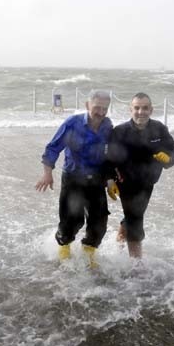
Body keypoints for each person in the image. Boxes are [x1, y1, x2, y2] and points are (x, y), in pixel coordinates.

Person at [35, 90, 112, 267]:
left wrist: (110, 180)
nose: (101, 112)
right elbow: (53, 148)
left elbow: (110, 155)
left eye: (105, 108)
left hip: (96, 180)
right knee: (72, 219)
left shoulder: (107, 125)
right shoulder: (73, 123)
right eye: (97, 108)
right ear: (87, 106)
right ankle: (64, 248)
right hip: (73, 178)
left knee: (99, 221)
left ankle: (89, 253)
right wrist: (47, 173)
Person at [106, 92, 174, 258]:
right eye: (137, 108)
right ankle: (136, 263)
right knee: (136, 218)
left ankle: (122, 233)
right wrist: (110, 181)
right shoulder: (120, 131)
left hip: (148, 182)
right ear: (130, 110)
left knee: (135, 213)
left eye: (145, 108)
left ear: (151, 110)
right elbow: (109, 159)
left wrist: (168, 159)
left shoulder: (159, 129)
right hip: (125, 182)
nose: (141, 112)